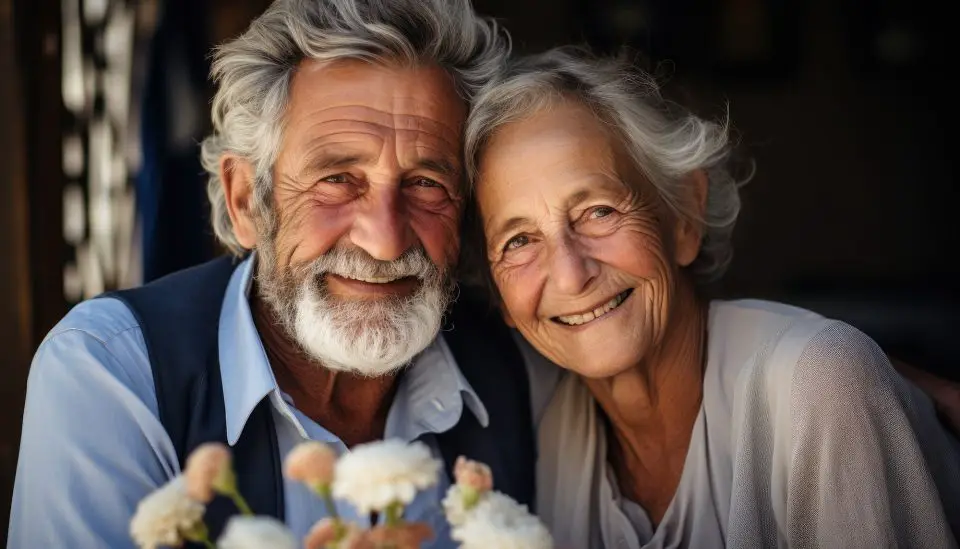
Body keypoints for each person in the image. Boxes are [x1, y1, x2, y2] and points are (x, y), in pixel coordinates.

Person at [8, 1, 537, 548]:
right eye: (336, 179)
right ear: (246, 201)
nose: (385, 240)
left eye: (426, 183)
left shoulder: (520, 370)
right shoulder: (112, 371)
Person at [464, 47, 960, 548]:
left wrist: (858, 368)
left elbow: (826, 366)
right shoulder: (541, 421)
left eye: (598, 211)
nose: (571, 276)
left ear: (684, 216)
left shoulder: (819, 386)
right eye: (519, 241)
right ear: (502, 297)